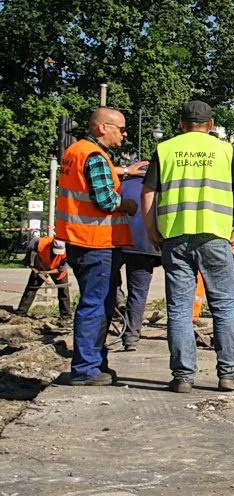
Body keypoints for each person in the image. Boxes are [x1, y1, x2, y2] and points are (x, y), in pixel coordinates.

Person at [141, 100, 234, 393]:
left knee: (178, 309)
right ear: (211, 124)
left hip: (175, 237)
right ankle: (229, 374)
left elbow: (148, 193)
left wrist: (152, 230)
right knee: (224, 306)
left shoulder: (165, 149)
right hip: (215, 237)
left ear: (181, 124)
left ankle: (183, 377)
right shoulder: (224, 150)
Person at [55, 107, 144, 386]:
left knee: (97, 303)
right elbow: (106, 201)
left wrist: (123, 171)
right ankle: (87, 368)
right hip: (96, 243)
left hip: (81, 240)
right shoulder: (94, 156)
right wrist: (129, 205)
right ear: (103, 128)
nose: (125, 133)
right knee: (95, 305)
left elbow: (93, 181)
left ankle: (93, 363)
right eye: (121, 128)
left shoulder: (76, 151)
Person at [115, 168, 159, 351]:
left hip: (117, 242)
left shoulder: (120, 186)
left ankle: (118, 302)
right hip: (146, 246)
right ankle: (131, 338)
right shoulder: (158, 190)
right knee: (138, 293)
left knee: (109, 283)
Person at [16, 235, 73, 321]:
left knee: (63, 291)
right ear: (51, 245)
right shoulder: (40, 243)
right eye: (55, 251)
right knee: (31, 288)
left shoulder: (68, 251)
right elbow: (30, 248)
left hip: (57, 270)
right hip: (39, 266)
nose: (56, 254)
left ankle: (66, 317)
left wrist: (47, 272)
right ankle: (21, 313)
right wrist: (28, 260)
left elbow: (61, 269)